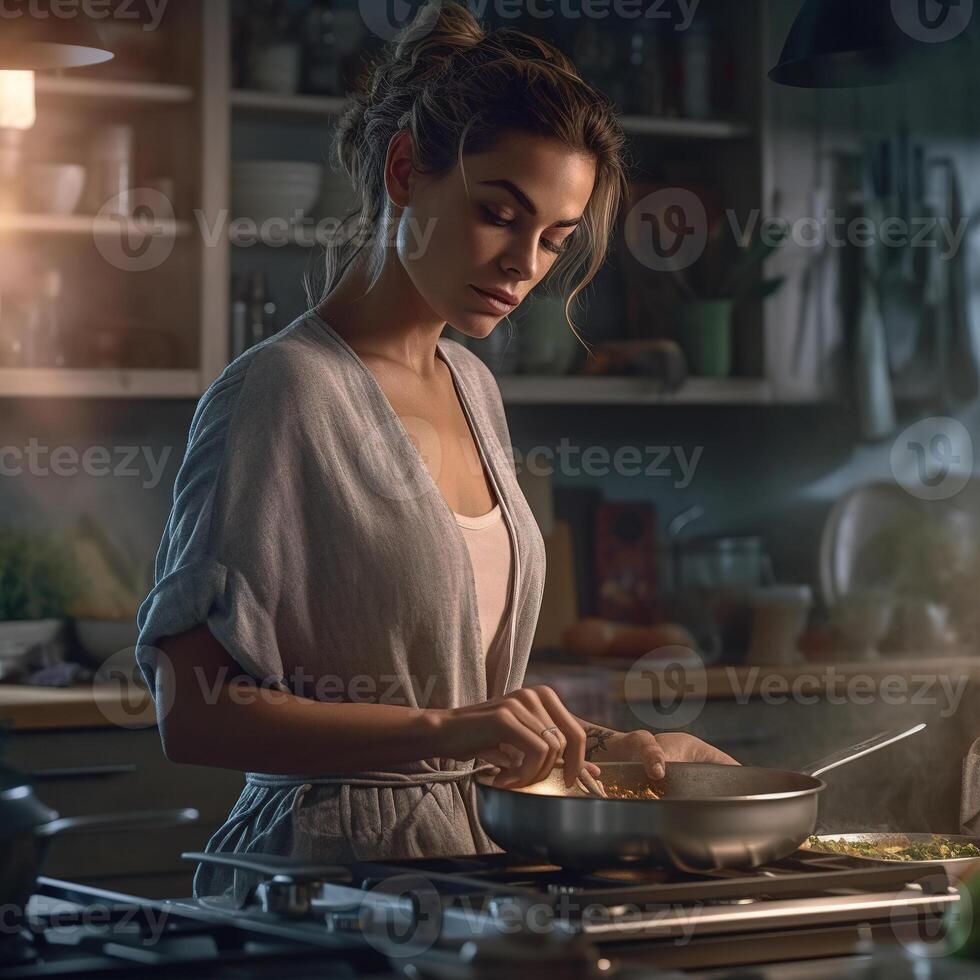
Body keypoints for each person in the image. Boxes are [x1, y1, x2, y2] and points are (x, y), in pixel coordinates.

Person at [135, 1, 736, 904]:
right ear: (407, 169)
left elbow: (457, 693)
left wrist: (600, 747)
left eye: (554, 242)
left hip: (474, 860)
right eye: (500, 213)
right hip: (325, 881)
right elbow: (193, 715)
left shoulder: (474, 386)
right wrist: (451, 727)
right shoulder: (282, 390)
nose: (523, 266)